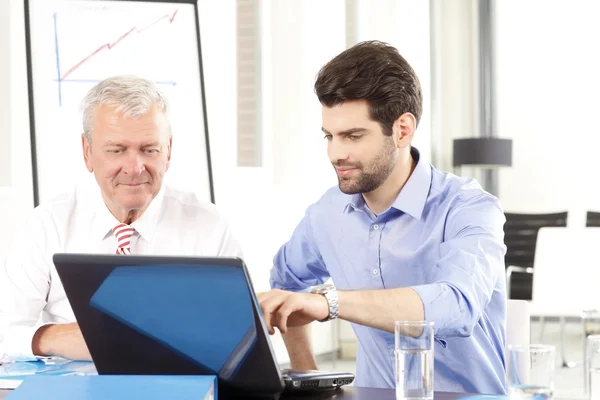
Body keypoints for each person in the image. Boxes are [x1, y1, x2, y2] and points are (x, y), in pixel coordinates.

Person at [258, 41, 507, 395]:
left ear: (402, 130)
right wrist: (307, 374)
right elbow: (285, 283)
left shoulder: (469, 208)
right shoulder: (326, 215)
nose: (335, 153)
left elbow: (456, 305)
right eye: (329, 136)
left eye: (353, 136)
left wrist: (330, 303)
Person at [0, 75, 243, 362]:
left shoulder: (208, 226)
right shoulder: (46, 225)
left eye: (149, 149)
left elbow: (237, 338)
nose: (135, 167)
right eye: (117, 150)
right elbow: (6, 332)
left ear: (168, 153)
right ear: (87, 152)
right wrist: (58, 336)